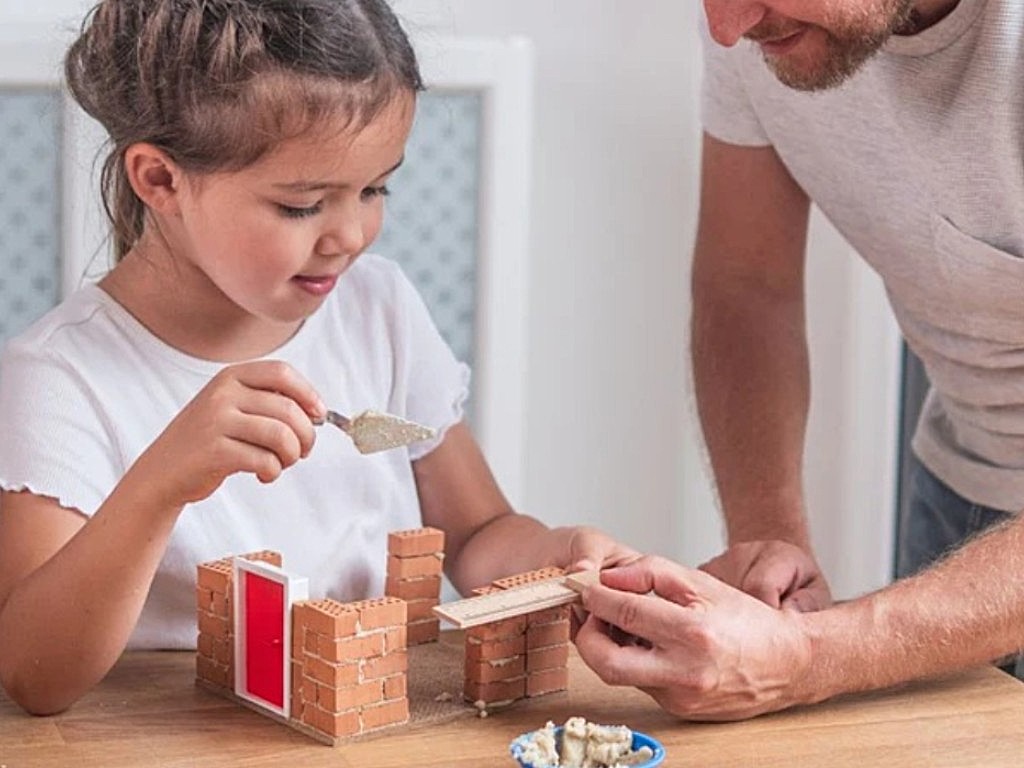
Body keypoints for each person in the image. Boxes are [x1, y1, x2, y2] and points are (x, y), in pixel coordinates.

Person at [0, 0, 637, 717]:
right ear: (160, 181)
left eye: (374, 189)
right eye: (302, 206)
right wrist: (161, 482)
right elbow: (34, 674)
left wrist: (563, 552)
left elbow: (478, 534)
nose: (350, 235)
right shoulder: (58, 379)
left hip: (370, 724)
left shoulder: (380, 310)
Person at [574, 0, 1024, 720]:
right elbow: (747, 288)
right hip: (964, 478)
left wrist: (810, 657)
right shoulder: (753, 23)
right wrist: (771, 553)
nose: (725, 29)